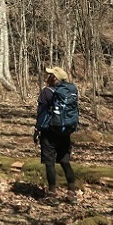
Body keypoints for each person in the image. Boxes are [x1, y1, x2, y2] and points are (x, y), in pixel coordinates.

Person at [33, 66, 77, 201]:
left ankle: (52, 195)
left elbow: (41, 113)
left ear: (54, 78)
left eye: (50, 74)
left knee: (49, 163)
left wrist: (37, 130)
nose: (48, 76)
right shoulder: (70, 91)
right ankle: (71, 193)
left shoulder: (46, 92)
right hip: (65, 131)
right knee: (65, 161)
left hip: (49, 131)